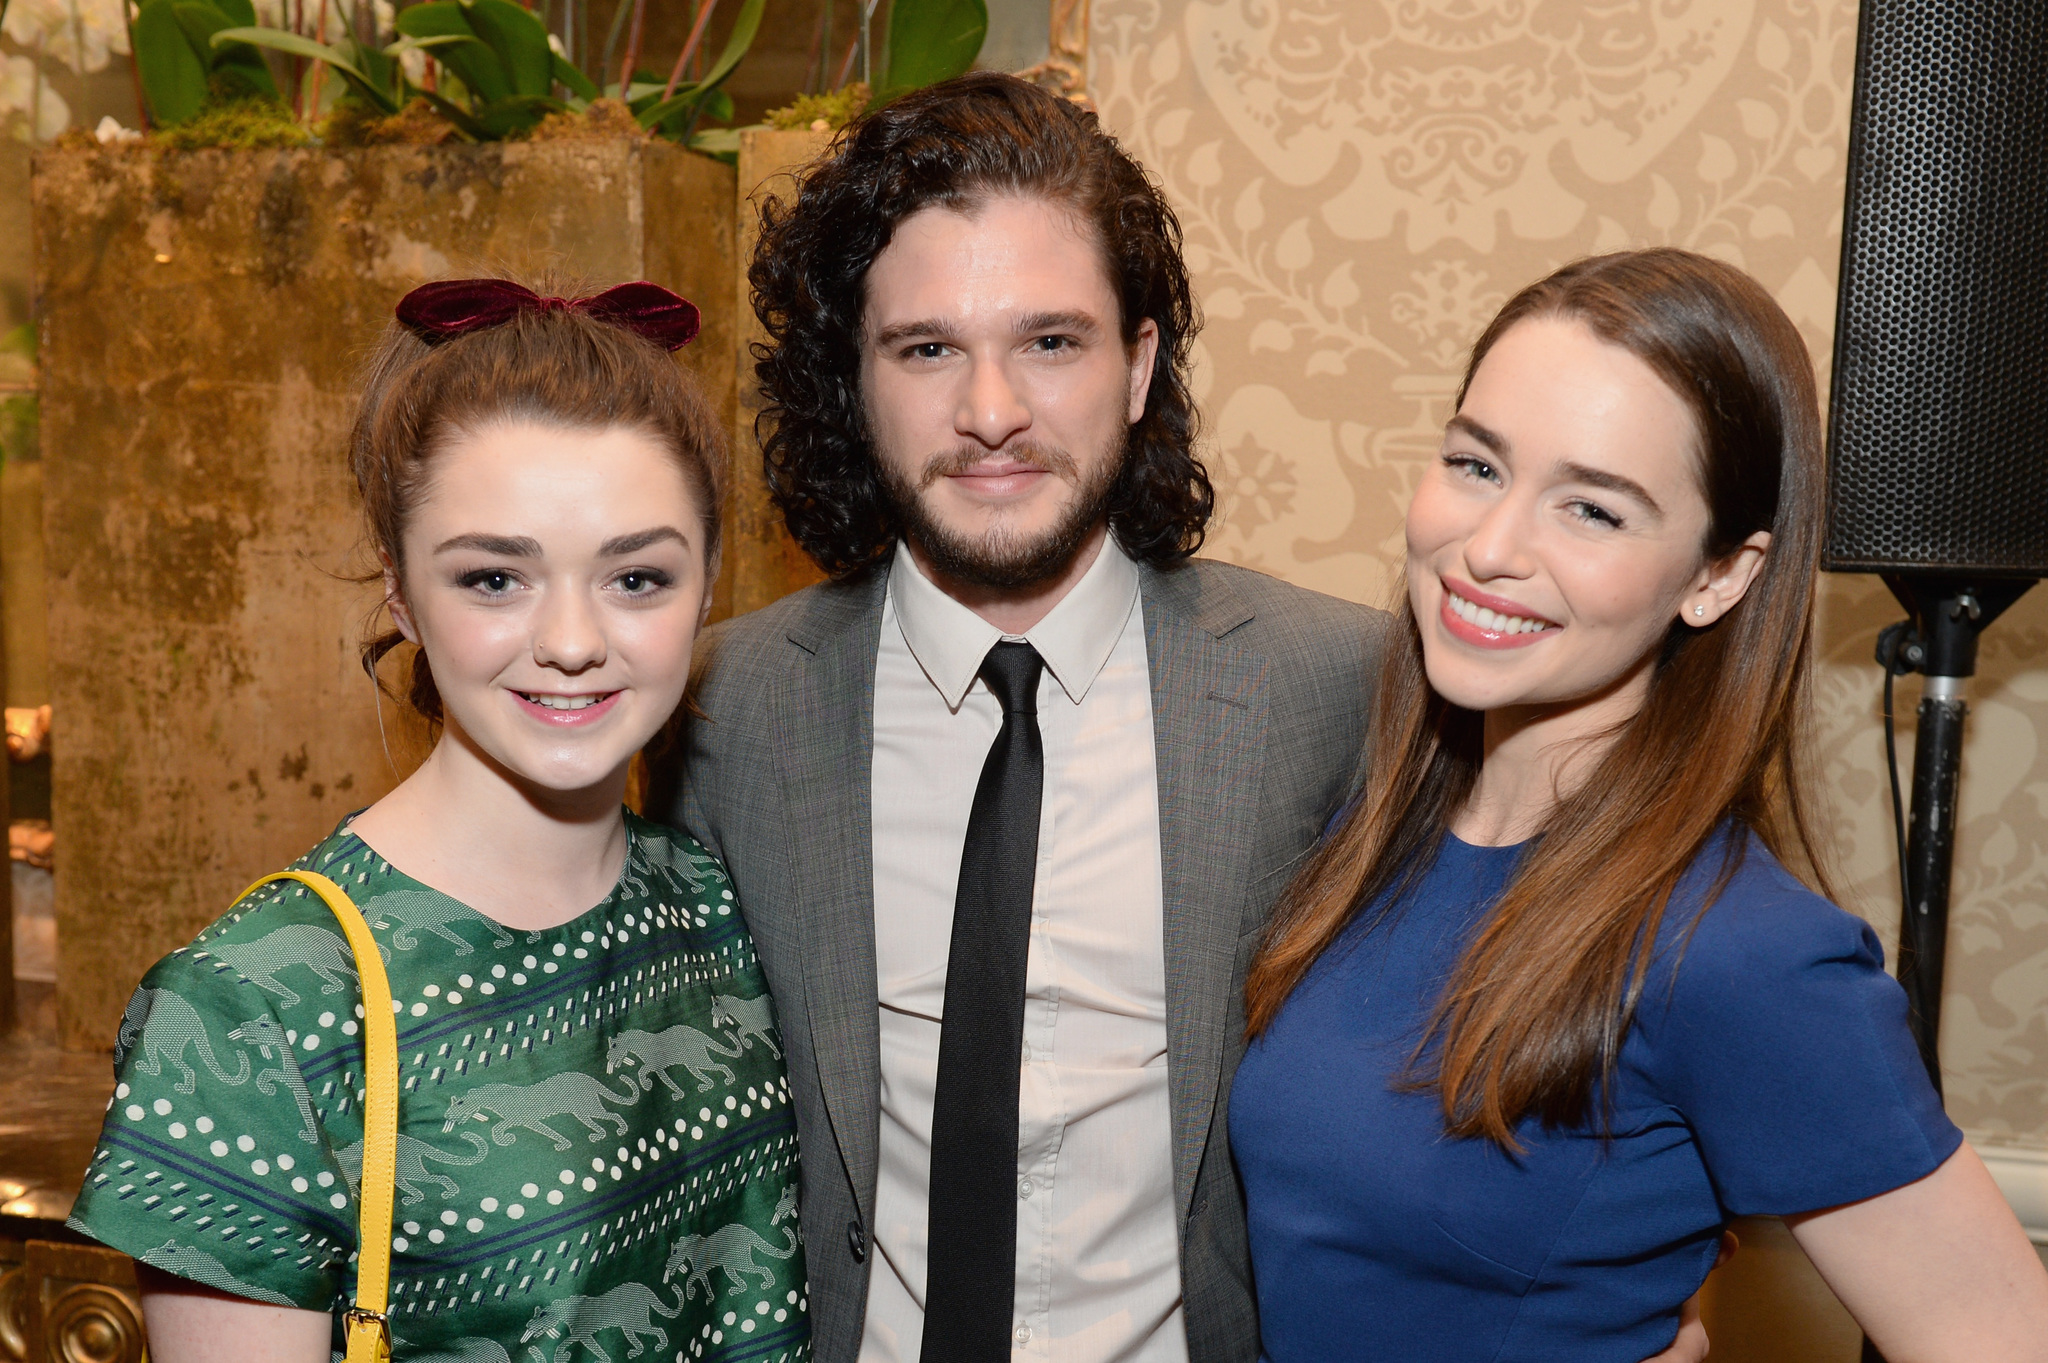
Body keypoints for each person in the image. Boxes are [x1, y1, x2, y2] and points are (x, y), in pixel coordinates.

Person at [661, 74, 1713, 1363]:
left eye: (1050, 342)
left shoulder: (1352, 688)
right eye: (926, 348)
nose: (990, 410)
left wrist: (1619, 1302)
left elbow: (1584, 989)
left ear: (1139, 363)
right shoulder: (720, 712)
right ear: (854, 379)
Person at [1231, 248, 2048, 1361]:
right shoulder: (1361, 830)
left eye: (1592, 510)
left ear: (1717, 576)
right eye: (1475, 465)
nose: (1489, 548)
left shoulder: (1739, 953)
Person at [68, 279, 811, 1363]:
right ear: (402, 593)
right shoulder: (250, 1012)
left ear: (706, 589)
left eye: (637, 576)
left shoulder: (708, 896)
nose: (569, 638)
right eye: (494, 577)